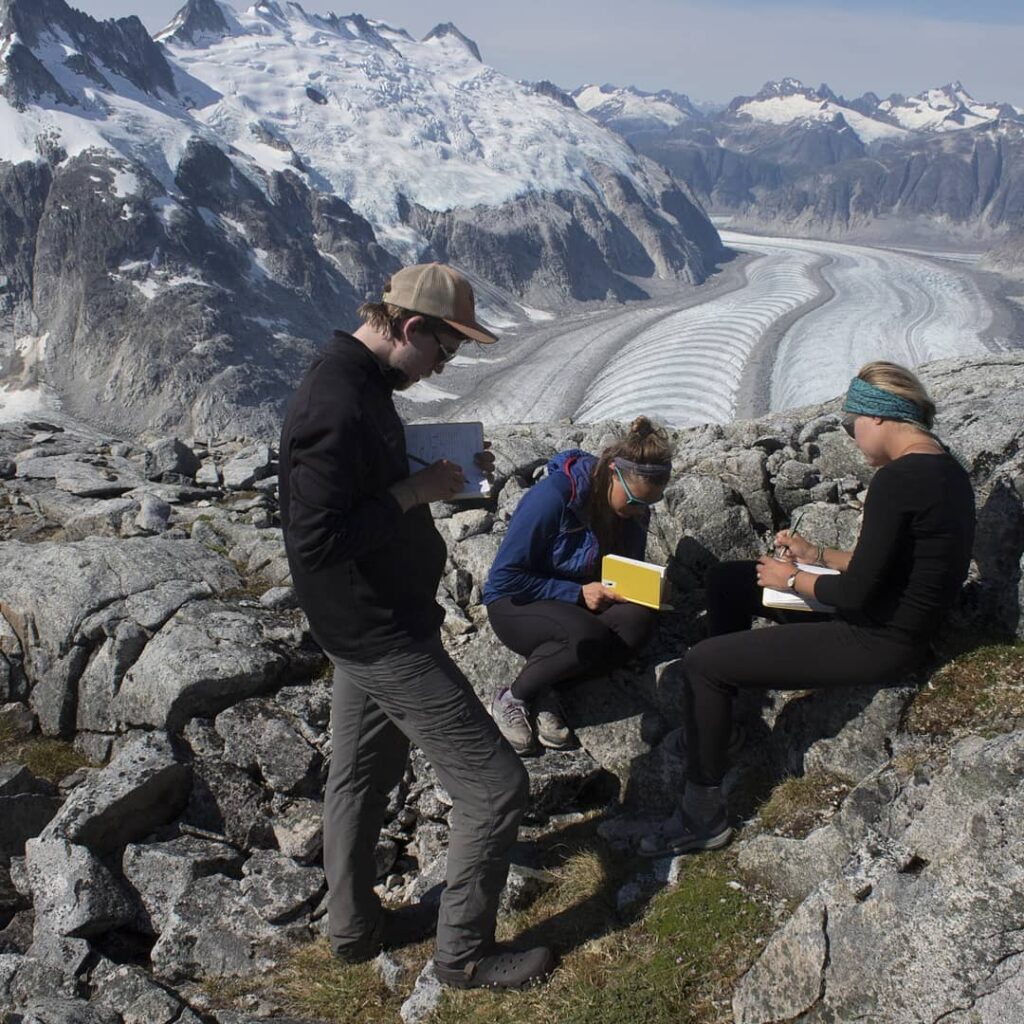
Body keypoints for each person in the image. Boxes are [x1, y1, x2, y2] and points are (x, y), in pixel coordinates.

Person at [278, 263, 553, 989]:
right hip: (380, 633)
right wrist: (415, 490)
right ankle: (463, 957)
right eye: (445, 348)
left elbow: (361, 486)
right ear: (409, 328)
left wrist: (449, 468)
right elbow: (314, 540)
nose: (445, 364)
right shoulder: (334, 400)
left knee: (361, 778)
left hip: (371, 623)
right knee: (495, 788)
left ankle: (353, 930)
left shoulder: (362, 385)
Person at [639, 361, 976, 857]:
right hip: (893, 621)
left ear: (879, 418)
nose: (854, 438)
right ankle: (726, 721)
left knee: (703, 665)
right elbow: (881, 566)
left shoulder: (898, 480)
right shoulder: (944, 467)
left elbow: (856, 593)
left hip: (875, 638)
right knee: (731, 579)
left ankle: (701, 813)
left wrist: (792, 578)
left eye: (852, 424)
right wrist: (812, 555)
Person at [482, 417, 673, 754]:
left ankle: (550, 685)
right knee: (587, 636)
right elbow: (504, 578)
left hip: (578, 603)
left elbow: (622, 569)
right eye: (634, 502)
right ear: (613, 473)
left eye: (648, 505)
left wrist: (649, 588)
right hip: (517, 602)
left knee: (639, 623)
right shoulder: (555, 496)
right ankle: (513, 696)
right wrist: (576, 593)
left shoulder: (632, 509)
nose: (639, 512)